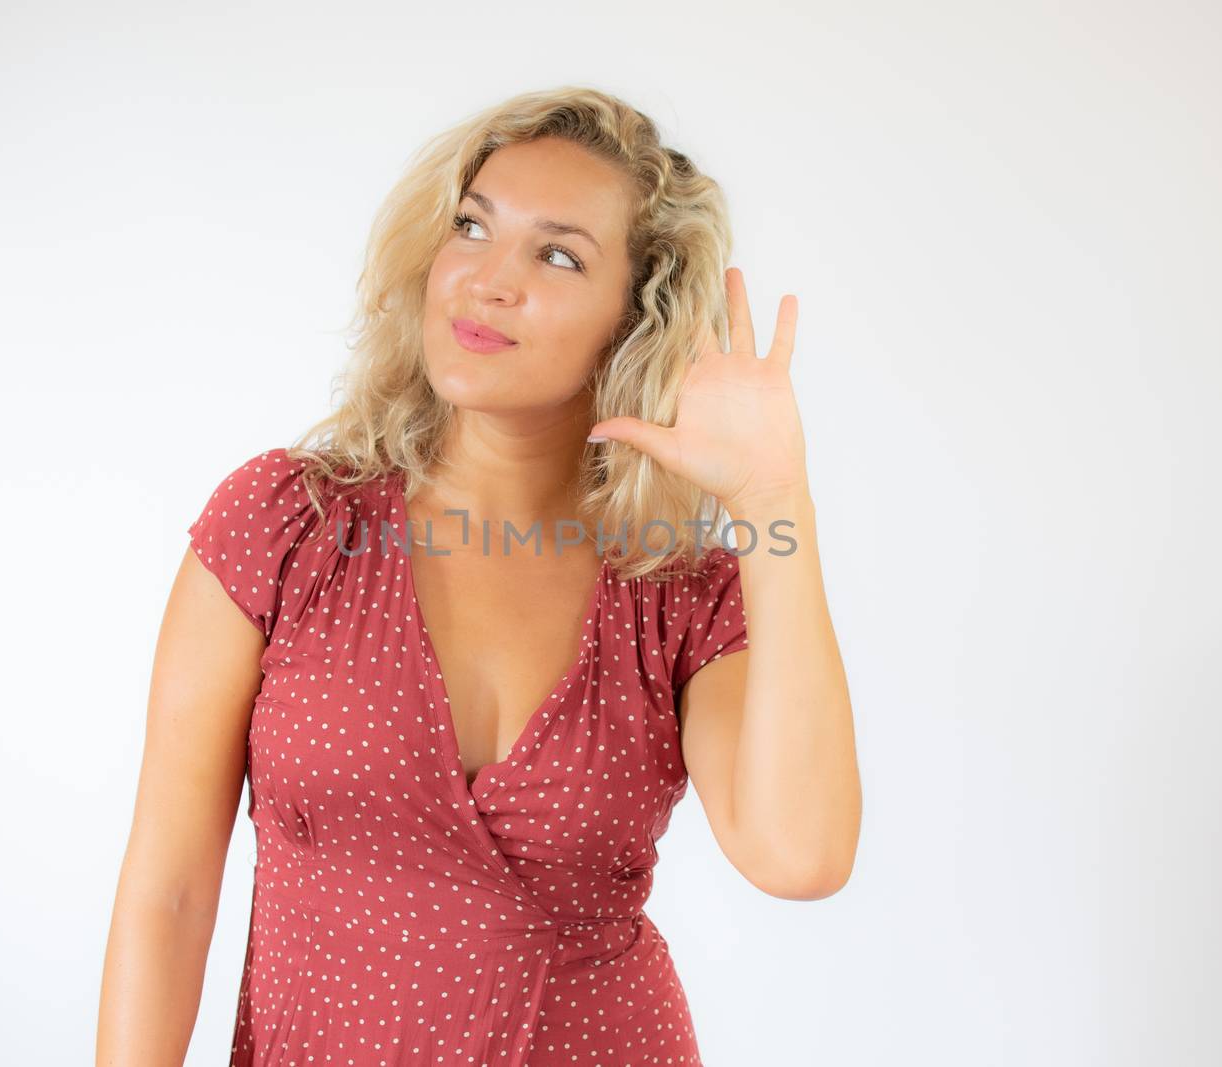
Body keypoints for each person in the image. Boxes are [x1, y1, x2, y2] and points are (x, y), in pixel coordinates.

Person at [96, 85, 861, 1067]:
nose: (486, 280)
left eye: (556, 253)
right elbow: (169, 886)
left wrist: (773, 498)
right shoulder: (288, 523)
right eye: (472, 226)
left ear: (633, 317)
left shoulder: (679, 592)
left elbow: (799, 854)